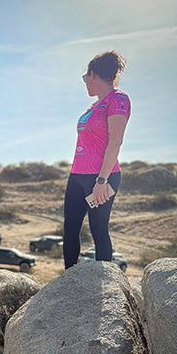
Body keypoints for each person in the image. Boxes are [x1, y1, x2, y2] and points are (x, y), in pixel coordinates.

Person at [63, 51, 130, 269]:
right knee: (70, 229)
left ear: (93, 75)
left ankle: (104, 281)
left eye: (85, 78)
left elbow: (115, 143)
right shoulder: (92, 108)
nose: (85, 83)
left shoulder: (118, 99)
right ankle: (67, 282)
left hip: (101, 176)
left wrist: (102, 180)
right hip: (77, 176)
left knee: (98, 229)